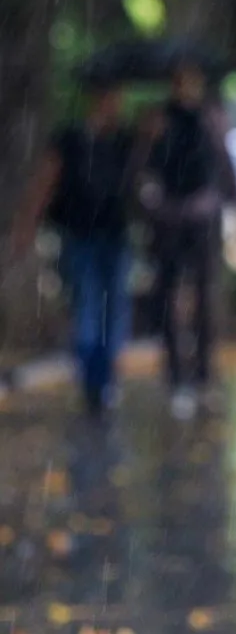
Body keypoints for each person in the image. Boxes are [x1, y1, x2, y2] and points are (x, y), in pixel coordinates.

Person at [10, 78, 139, 416]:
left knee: (113, 309)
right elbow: (46, 181)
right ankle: (91, 379)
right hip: (79, 236)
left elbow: (139, 182)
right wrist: (27, 226)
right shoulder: (70, 139)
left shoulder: (126, 141)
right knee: (88, 305)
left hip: (116, 235)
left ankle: (104, 377)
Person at [141, 62, 236, 420]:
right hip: (168, 219)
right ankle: (176, 375)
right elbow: (145, 167)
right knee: (168, 294)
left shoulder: (209, 117)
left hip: (201, 218)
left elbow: (222, 163)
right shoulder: (159, 119)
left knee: (203, 297)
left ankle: (202, 374)